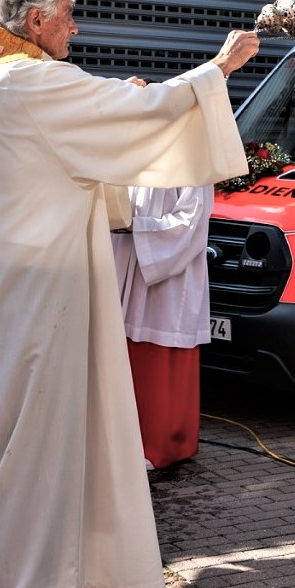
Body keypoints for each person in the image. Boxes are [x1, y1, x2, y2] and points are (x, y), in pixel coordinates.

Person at [0, 0, 256, 588]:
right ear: (36, 19)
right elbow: (141, 116)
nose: (75, 28)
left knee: (9, 452)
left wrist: (114, 110)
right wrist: (218, 69)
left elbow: (66, 149)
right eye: (69, 15)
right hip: (35, 305)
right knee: (29, 456)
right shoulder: (34, 83)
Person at [112, 184, 213, 470]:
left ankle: (161, 445)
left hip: (170, 277)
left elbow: (191, 220)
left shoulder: (192, 163)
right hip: (125, 262)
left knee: (159, 345)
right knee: (123, 347)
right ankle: (124, 441)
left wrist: (136, 227)